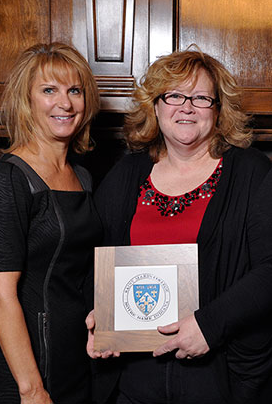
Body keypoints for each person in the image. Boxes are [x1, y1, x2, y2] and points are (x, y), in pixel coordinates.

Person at [87, 47, 272, 403]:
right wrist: (99, 315)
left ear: (218, 110)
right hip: (135, 377)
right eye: (174, 95)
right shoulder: (126, 175)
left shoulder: (252, 173)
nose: (186, 107)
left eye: (201, 97)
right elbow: (93, 261)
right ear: (155, 106)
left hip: (220, 377)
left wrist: (210, 325)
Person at [0, 42, 102, 404]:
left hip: (74, 358)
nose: (65, 103)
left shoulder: (82, 176)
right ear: (26, 100)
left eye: (74, 90)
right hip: (22, 374)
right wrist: (31, 390)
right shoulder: (7, 180)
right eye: (49, 90)